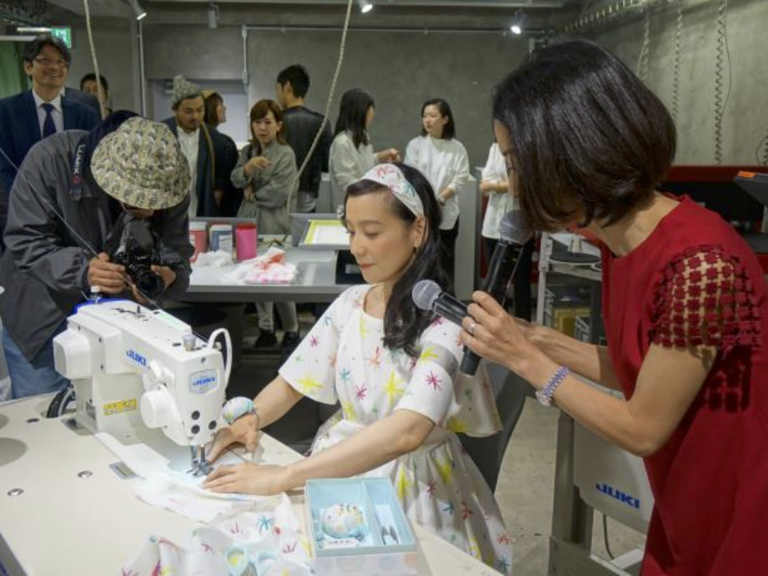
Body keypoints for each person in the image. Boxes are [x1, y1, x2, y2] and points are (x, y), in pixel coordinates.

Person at [462, 39, 768, 576]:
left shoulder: (700, 264)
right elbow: (639, 369)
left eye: (516, 165)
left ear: (573, 153)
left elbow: (642, 425)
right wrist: (534, 337)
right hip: (683, 497)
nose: (512, 186)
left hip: (741, 509)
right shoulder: (619, 243)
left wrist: (529, 363)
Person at [205, 163, 513, 574]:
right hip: (340, 467)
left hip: (414, 487)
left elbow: (407, 431)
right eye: (351, 231)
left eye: (372, 232)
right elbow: (295, 381)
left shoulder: (445, 326)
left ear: (417, 230)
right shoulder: (352, 303)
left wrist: (284, 476)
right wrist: (252, 417)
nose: (357, 246)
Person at [0, 113, 194, 399]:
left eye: (158, 204)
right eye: (139, 203)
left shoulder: (167, 175)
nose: (151, 213)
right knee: (44, 418)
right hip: (42, 318)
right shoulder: (50, 160)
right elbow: (26, 240)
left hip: (120, 321)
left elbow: (176, 248)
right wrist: (82, 271)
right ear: (109, 180)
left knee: (119, 414)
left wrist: (168, 275)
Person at [0, 34, 99, 237]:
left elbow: (94, 164)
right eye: (45, 60)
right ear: (28, 67)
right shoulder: (6, 111)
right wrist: (24, 206)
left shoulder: (85, 114)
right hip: (23, 214)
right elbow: (4, 169)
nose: (55, 67)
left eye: (61, 62)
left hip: (74, 214)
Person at [231, 100, 300, 351]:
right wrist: (247, 168)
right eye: (257, 122)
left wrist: (251, 192)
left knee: (279, 278)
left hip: (275, 222)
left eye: (268, 122)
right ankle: (266, 328)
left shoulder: (286, 153)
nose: (262, 127)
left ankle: (292, 330)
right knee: (256, 275)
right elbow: (235, 178)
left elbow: (279, 193)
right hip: (249, 222)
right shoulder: (248, 152)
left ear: (278, 125)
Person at [404, 98, 469, 289]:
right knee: (422, 266)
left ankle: (446, 310)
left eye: (433, 115)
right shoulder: (415, 145)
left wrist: (440, 198)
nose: (428, 120)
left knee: (445, 268)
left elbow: (461, 178)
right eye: (424, 116)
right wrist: (427, 201)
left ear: (445, 119)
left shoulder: (457, 148)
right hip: (421, 215)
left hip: (447, 215)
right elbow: (411, 176)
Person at [162, 76, 237, 218]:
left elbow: (222, 175)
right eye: (188, 111)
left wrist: (214, 201)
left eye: (200, 110)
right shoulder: (161, 133)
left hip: (201, 211)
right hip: (168, 213)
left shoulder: (213, 137)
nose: (195, 116)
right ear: (174, 109)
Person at [479, 141, 533, 320]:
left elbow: (518, 187)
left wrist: (495, 186)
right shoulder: (494, 148)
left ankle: (523, 324)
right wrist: (501, 185)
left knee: (520, 281)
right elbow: (484, 185)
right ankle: (494, 323)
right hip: (493, 223)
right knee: (494, 280)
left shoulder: (526, 148)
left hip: (518, 223)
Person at [328, 88, 399, 210]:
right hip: (349, 207)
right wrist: (379, 187)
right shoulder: (342, 143)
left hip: (366, 203)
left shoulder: (362, 135)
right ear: (359, 113)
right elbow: (347, 182)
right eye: (369, 114)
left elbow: (364, 162)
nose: (371, 117)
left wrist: (381, 156)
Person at [276, 64, 333, 213]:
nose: (277, 95)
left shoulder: (275, 122)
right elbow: (327, 164)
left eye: (277, 89)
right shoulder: (322, 122)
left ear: (287, 86)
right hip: (308, 195)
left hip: (278, 193)